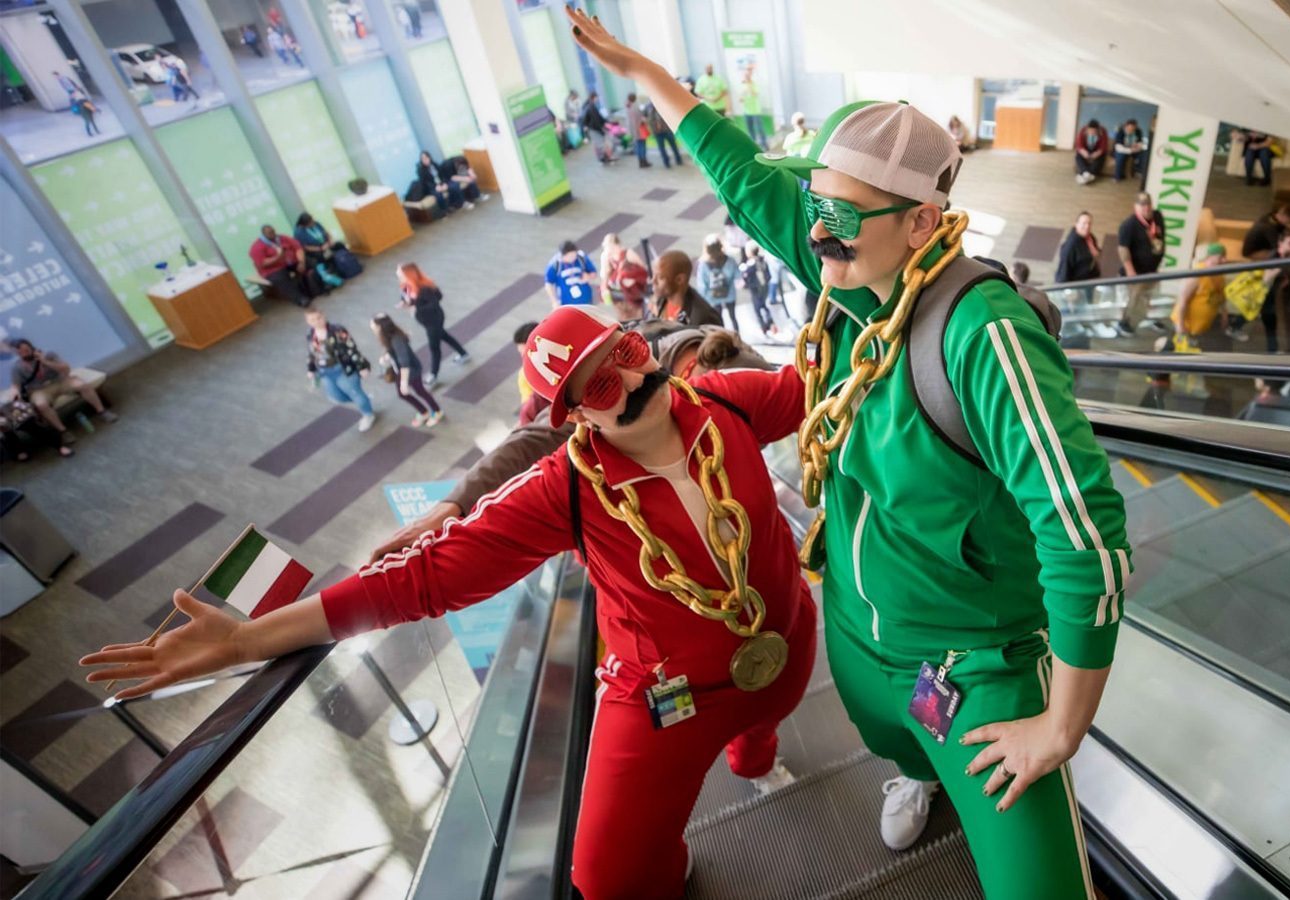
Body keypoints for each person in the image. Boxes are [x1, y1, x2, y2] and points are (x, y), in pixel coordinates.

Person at [565, 10, 1130, 897]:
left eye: (835, 215)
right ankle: (917, 766)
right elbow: (747, 180)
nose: (814, 232)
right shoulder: (854, 267)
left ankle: (942, 763)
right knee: (896, 736)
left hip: (970, 658)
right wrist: (644, 74)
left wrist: (1060, 726)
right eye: (814, 208)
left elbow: (1085, 535)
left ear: (923, 223)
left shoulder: (984, 337)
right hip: (865, 628)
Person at [88, 305, 818, 900]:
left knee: (767, 718)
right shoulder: (563, 489)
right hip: (668, 695)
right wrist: (251, 641)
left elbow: (821, 388)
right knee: (609, 877)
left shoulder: (725, 402)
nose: (631, 381)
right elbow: (418, 579)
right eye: (598, 387)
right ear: (574, 418)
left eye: (626, 352)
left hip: (785, 642)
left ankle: (754, 756)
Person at [371, 321, 774, 560]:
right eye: (601, 387)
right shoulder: (628, 369)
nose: (633, 381)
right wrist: (453, 506)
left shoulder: (739, 384)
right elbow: (534, 439)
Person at [9, 339, 116, 443]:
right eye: (20, 352)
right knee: (41, 404)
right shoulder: (17, 367)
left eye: (26, 350)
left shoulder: (49, 354)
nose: (24, 353)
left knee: (82, 385)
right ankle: (63, 431)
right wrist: (16, 395)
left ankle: (102, 411)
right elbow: (16, 385)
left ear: (31, 347)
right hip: (39, 390)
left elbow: (66, 369)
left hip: (60, 381)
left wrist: (45, 361)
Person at [303, 306, 376, 431]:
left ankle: (368, 413)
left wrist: (362, 366)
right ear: (308, 321)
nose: (317, 321)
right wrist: (311, 368)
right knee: (336, 396)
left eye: (319, 318)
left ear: (324, 316)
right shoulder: (310, 334)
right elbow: (311, 352)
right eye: (312, 320)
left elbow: (351, 348)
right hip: (324, 371)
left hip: (342, 369)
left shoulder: (337, 330)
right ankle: (363, 399)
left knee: (354, 392)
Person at [396, 263, 468, 385]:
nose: (398, 275)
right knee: (443, 335)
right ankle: (463, 353)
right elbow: (407, 298)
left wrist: (415, 308)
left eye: (400, 273)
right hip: (425, 320)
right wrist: (405, 303)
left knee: (434, 347)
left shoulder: (424, 288)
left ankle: (433, 374)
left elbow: (435, 302)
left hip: (433, 320)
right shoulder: (406, 286)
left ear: (408, 274)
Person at [372, 313, 443, 427]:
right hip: (401, 370)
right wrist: (386, 356)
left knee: (420, 391)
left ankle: (437, 411)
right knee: (402, 394)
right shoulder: (389, 336)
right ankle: (424, 412)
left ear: (380, 327)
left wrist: (404, 383)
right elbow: (392, 350)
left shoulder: (397, 340)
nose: (373, 329)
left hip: (411, 370)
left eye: (373, 327)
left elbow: (405, 363)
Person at [1115, 192, 1166, 335]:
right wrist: (1131, 273)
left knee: (1150, 298)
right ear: (1136, 207)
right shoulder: (1128, 225)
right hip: (1136, 275)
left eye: (1148, 204)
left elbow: (1160, 238)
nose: (1147, 208)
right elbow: (1123, 249)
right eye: (1142, 205)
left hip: (1151, 271)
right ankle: (1124, 323)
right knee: (1131, 302)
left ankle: (1150, 318)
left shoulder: (1157, 217)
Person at [1169, 243, 1229, 348]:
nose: (1224, 261)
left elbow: (1221, 297)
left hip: (1202, 328)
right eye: (1221, 257)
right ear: (1210, 257)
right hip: (1186, 328)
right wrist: (1180, 325)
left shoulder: (1219, 276)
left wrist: (1224, 314)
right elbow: (1182, 301)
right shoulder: (1196, 275)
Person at [249, 225, 319, 306]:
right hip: (272, 269)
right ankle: (300, 299)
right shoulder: (257, 247)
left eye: (273, 231)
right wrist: (278, 256)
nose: (273, 234)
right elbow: (262, 263)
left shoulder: (282, 238)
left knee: (310, 263)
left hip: (290, 262)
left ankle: (313, 290)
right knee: (281, 278)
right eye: (269, 233)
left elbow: (298, 248)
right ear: (264, 234)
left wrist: (301, 262)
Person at [651, 250, 721, 326]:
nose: (653, 281)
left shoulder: (704, 318)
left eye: (660, 277)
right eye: (653, 275)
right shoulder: (659, 302)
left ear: (680, 280)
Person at [1054, 211, 1101, 310]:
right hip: (1078, 286)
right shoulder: (1071, 247)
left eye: (1089, 223)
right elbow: (1064, 272)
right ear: (1076, 224)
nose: (1087, 226)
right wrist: (1068, 295)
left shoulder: (1089, 237)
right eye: (1084, 223)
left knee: (1088, 302)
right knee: (1081, 307)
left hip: (1089, 280)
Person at [0, 397, 73, 461]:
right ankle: (18, 450)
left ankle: (58, 445)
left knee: (27, 422)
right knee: (4, 425)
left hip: (9, 405)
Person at [599, 233, 650, 320]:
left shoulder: (628, 253)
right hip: (617, 294)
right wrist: (604, 288)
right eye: (608, 248)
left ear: (617, 245)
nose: (610, 250)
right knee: (623, 317)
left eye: (612, 247)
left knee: (636, 316)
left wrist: (633, 280)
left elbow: (643, 269)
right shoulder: (606, 256)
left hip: (632, 293)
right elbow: (605, 275)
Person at [697, 235, 741, 333]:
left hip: (713, 297)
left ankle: (722, 338)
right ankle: (737, 335)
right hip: (730, 294)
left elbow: (702, 285)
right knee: (733, 317)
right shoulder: (729, 260)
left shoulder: (703, 264)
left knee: (719, 319)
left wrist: (703, 299)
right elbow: (738, 276)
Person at [740, 244, 778, 339]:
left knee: (757, 309)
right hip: (764, 287)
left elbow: (746, 277)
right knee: (764, 305)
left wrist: (745, 283)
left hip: (755, 289)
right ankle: (771, 323)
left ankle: (764, 328)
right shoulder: (762, 260)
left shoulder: (750, 264)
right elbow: (768, 274)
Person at [545, 240, 598, 307]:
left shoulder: (581, 258)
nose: (573, 258)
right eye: (570, 256)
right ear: (563, 255)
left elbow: (594, 272)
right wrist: (554, 302)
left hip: (586, 300)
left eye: (574, 255)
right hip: (566, 304)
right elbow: (548, 284)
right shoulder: (555, 265)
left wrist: (589, 276)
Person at [644, 99, 682, 168]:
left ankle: (677, 160)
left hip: (665, 129)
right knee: (663, 148)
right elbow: (645, 117)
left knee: (672, 146)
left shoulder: (661, 104)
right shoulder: (649, 106)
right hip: (659, 131)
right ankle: (667, 162)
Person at [580, 92, 614, 163]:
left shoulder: (589, 106)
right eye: (597, 97)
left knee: (599, 144)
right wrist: (601, 130)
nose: (598, 99)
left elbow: (598, 117)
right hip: (594, 129)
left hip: (592, 128)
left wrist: (606, 122)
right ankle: (605, 158)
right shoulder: (591, 107)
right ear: (594, 97)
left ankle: (604, 158)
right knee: (601, 144)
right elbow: (596, 120)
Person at [1074, 119, 1109, 184]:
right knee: (1078, 156)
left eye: (1094, 131)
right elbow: (1079, 145)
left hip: (1097, 150)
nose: (1092, 132)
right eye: (1090, 131)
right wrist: (1083, 151)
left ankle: (1087, 174)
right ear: (1087, 129)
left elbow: (1104, 146)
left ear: (1098, 130)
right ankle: (1087, 173)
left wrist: (1098, 153)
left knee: (1101, 158)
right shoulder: (1083, 130)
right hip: (1086, 149)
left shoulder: (1103, 131)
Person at [623, 93, 652, 169]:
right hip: (640, 130)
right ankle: (644, 161)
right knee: (642, 146)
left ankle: (640, 162)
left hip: (634, 131)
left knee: (638, 147)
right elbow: (641, 119)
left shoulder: (628, 107)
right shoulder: (636, 108)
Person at [738, 73, 766, 146]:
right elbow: (740, 99)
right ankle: (753, 144)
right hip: (747, 112)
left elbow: (755, 94)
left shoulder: (754, 84)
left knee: (760, 129)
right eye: (745, 76)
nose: (746, 78)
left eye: (747, 76)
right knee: (750, 130)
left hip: (755, 111)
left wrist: (748, 85)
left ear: (750, 77)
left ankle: (764, 144)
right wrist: (741, 97)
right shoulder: (742, 86)